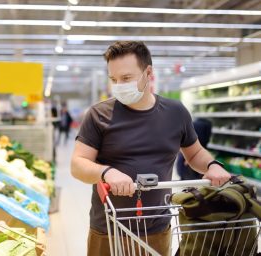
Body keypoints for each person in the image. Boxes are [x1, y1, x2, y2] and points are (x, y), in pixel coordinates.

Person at [70, 41, 231, 256]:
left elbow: (195, 153)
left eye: (126, 78)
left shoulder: (176, 112)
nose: (119, 85)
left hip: (157, 226)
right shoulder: (99, 115)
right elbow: (77, 164)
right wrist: (106, 172)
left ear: (148, 73)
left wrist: (212, 165)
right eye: (113, 79)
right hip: (108, 227)